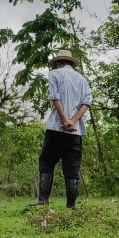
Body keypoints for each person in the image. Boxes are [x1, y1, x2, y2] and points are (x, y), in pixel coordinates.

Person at [31, 49, 93, 209]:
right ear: (71, 63)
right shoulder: (82, 79)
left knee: (46, 161)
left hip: (55, 128)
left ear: (58, 63)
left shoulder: (54, 74)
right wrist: (72, 121)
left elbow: (54, 97)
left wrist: (64, 120)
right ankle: (71, 205)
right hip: (75, 131)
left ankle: (43, 201)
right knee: (72, 167)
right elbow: (86, 103)